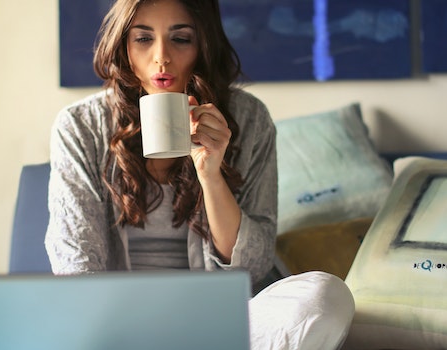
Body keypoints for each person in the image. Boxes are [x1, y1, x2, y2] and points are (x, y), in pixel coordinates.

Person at [44, 0, 354, 349]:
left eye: (181, 39)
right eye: (143, 39)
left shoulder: (248, 119)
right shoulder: (80, 127)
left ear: (203, 45)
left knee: (324, 297)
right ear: (123, 46)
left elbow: (252, 267)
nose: (162, 57)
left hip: (219, 320)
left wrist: (210, 173)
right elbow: (76, 264)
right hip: (116, 322)